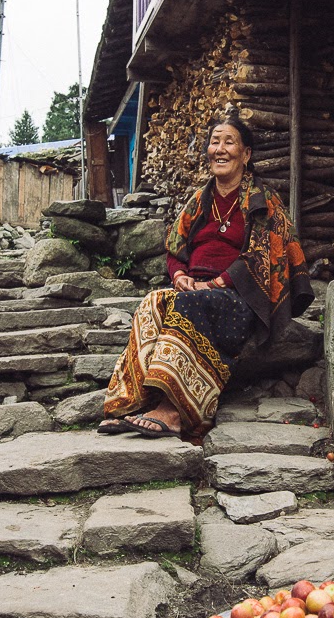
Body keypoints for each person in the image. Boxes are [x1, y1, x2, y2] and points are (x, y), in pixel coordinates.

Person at [98, 114, 311, 441]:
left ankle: (172, 411)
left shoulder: (262, 200)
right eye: (215, 142)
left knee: (192, 304)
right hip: (193, 289)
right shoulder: (200, 199)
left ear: (246, 154)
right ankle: (130, 403)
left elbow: (263, 254)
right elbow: (174, 248)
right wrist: (181, 275)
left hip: (240, 298)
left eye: (229, 142)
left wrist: (218, 282)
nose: (220, 149)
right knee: (153, 303)